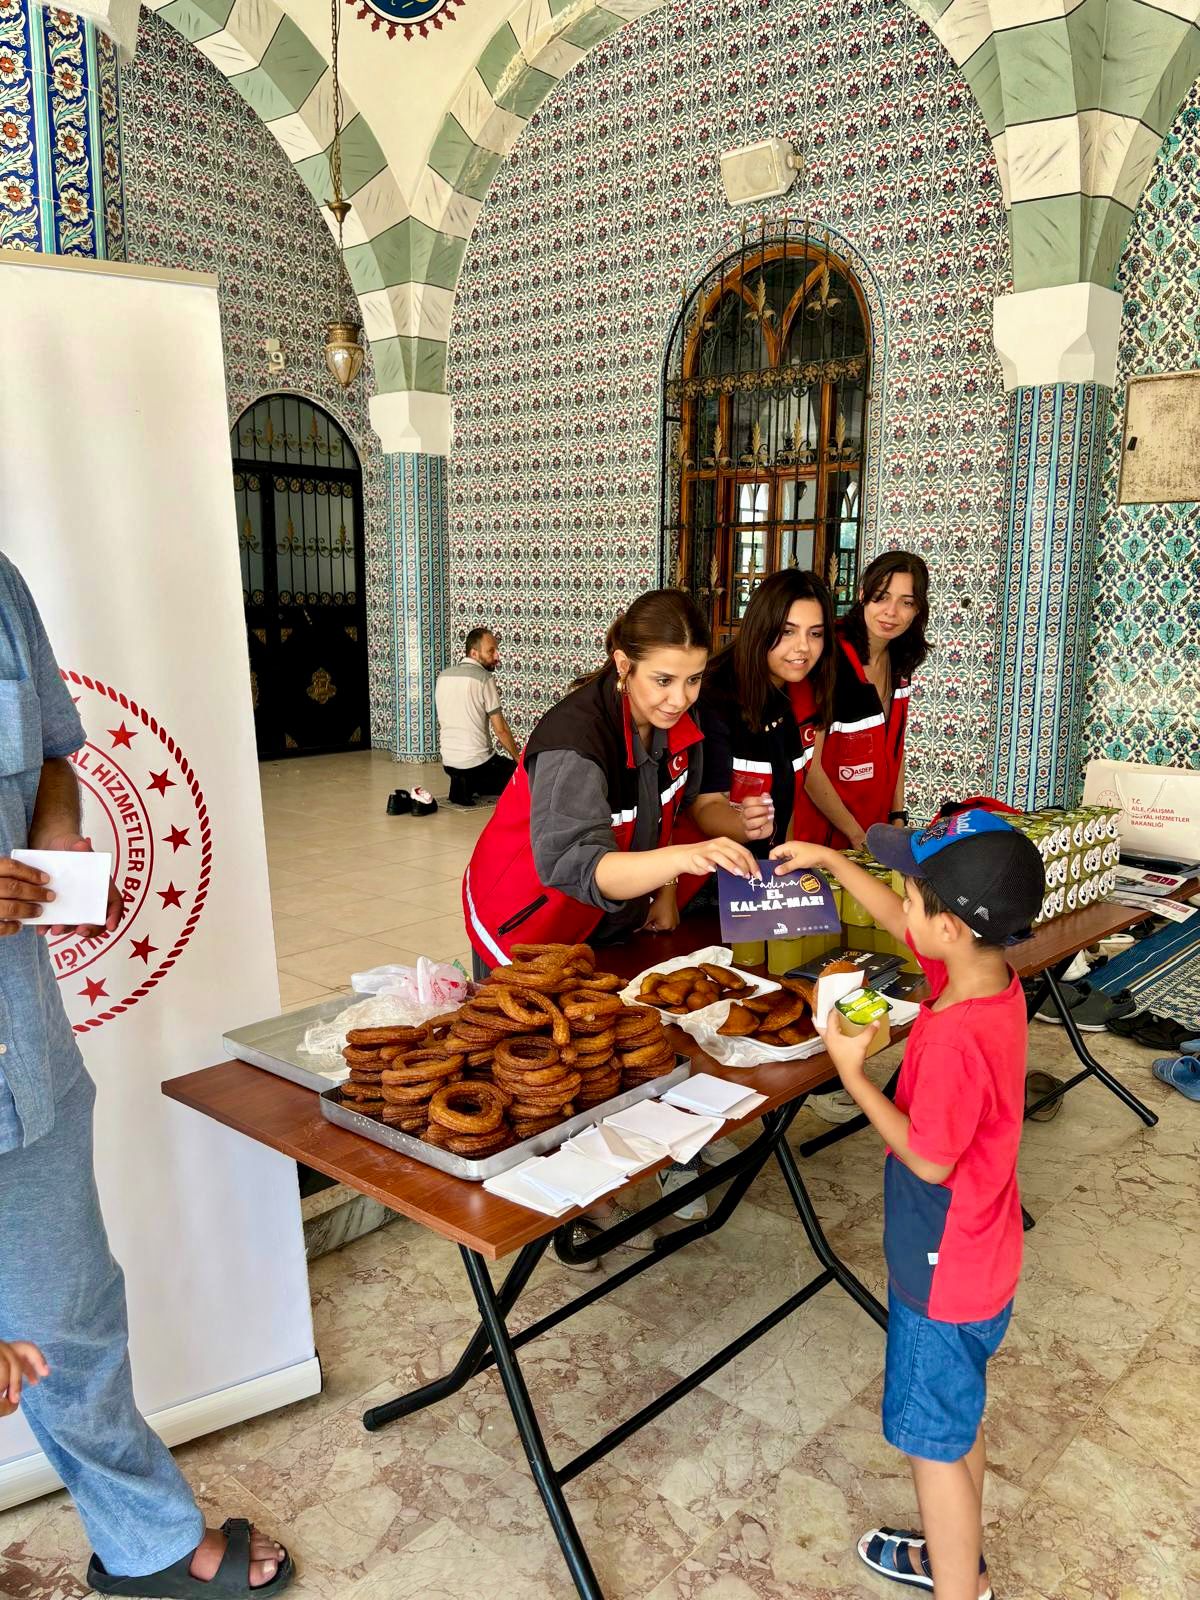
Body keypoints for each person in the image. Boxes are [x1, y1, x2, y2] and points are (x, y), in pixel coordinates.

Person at [0, 555, 290, 1598]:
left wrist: (50, 828)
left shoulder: (0, 584)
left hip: (18, 1051)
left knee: (69, 1321)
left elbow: (51, 753)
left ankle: (148, 1544)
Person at [771, 808, 1045, 1600]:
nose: (902, 905)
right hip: (982, 1253)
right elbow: (904, 916)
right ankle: (956, 1558)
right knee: (956, 1427)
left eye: (916, 896)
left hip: (944, 1271)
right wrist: (831, 859)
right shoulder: (988, 981)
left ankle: (959, 1586)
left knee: (932, 1440)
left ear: (952, 927)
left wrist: (851, 1071)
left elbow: (928, 1155)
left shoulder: (960, 1036)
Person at [463, 588, 759, 972]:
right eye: (663, 680)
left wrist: (667, 888)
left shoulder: (680, 720)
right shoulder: (575, 742)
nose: (680, 698)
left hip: (603, 927)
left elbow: (671, 811)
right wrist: (683, 859)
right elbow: (578, 864)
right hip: (526, 924)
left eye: (694, 680)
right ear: (624, 663)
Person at [679, 568, 837, 881]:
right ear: (760, 628)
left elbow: (794, 785)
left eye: (815, 633)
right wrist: (745, 825)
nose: (803, 647)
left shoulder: (794, 689)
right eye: (787, 631)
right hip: (705, 886)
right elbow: (706, 805)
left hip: (764, 876)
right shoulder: (712, 698)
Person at [793, 550, 931, 850]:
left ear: (918, 609)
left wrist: (897, 815)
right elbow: (808, 768)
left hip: (874, 834)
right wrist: (856, 834)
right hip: (823, 838)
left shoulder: (901, 660)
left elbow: (895, 745)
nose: (891, 612)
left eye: (906, 602)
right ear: (862, 594)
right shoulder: (830, 658)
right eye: (881, 597)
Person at [435, 627, 519, 807]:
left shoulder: (443, 676)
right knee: (518, 779)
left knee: (474, 768)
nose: (497, 656)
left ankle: (463, 783)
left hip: (449, 762)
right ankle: (473, 781)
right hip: (478, 763)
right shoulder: (484, 678)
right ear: (474, 653)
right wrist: (519, 762)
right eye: (491, 651)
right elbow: (501, 730)